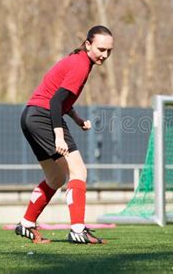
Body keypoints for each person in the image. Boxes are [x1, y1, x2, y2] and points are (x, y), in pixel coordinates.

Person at [15, 25, 114, 244]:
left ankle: (27, 224)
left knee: (56, 178)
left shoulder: (79, 60)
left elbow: (60, 98)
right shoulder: (80, 65)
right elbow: (55, 102)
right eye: (101, 49)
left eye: (109, 51)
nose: (105, 55)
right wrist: (59, 136)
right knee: (78, 171)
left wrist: (77, 119)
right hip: (43, 117)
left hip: (30, 116)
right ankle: (77, 230)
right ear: (87, 44)